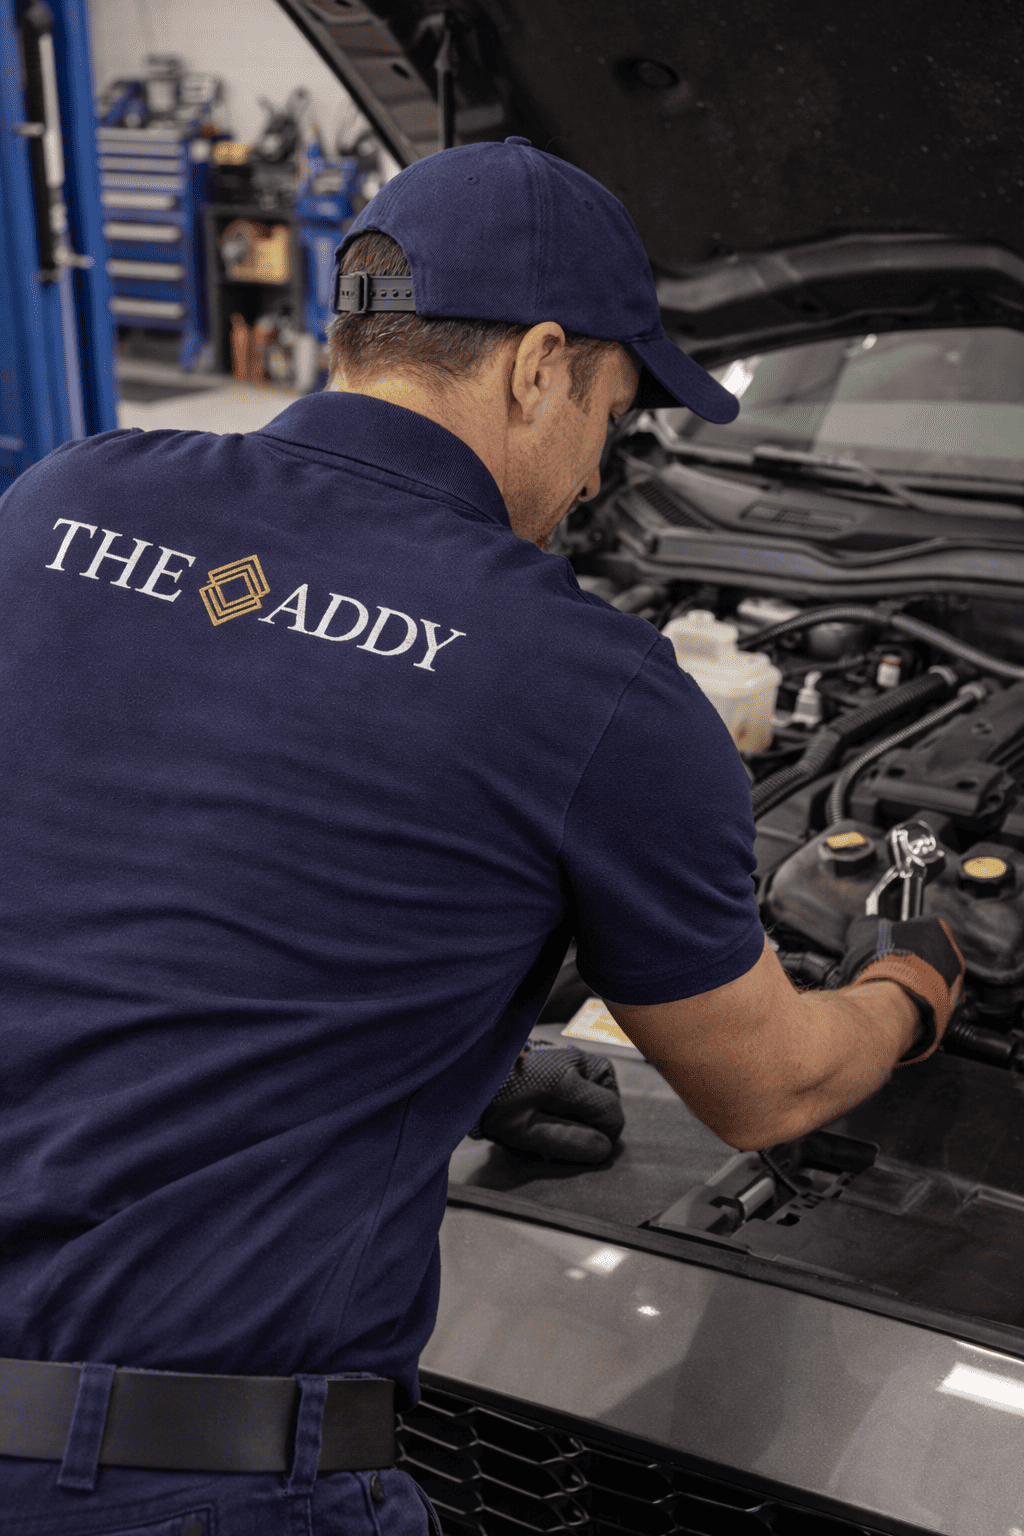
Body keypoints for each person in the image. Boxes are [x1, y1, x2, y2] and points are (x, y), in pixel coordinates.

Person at [0, 137, 963, 1532]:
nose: (594, 480)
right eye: (614, 417)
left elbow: (145, 845)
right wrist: (909, 985)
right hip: (180, 1484)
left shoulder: (60, 502)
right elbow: (770, 1092)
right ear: (537, 366)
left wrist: (445, 1053)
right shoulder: (590, 688)